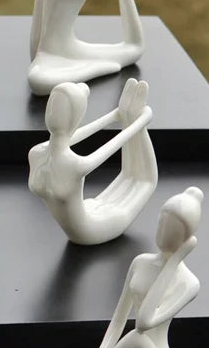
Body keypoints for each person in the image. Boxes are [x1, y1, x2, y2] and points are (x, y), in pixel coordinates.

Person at [59, 187, 209, 348]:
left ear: (186, 239)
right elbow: (118, 320)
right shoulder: (140, 263)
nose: (163, 232)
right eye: (162, 222)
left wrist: (173, 263)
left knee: (136, 338)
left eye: (172, 229)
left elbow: (143, 322)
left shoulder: (188, 284)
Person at [28, 78, 156, 245]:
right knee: (133, 177)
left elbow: (112, 146)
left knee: (140, 180)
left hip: (93, 228)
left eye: (59, 106)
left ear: (73, 118)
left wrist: (132, 120)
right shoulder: (37, 153)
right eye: (53, 102)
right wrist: (133, 119)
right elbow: (101, 142)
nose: (53, 111)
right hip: (85, 229)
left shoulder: (68, 163)